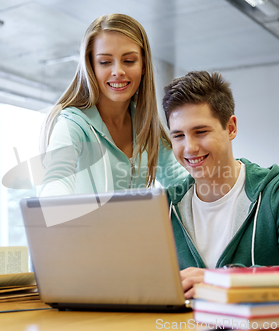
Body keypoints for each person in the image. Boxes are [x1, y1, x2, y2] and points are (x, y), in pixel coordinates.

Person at [161, 71, 279, 298]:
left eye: (201, 132)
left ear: (231, 128)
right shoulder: (164, 207)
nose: (190, 148)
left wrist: (222, 280)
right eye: (178, 136)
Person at [38, 13, 187, 197]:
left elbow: (181, 183)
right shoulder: (72, 125)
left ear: (143, 66)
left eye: (129, 61)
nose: (118, 71)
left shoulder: (147, 126)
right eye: (105, 62)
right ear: (91, 67)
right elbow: (55, 181)